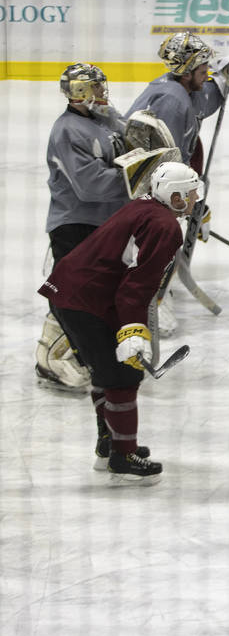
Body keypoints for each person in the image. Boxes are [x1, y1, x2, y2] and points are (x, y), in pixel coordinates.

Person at [38, 162, 204, 483]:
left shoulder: (147, 206)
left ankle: (110, 443)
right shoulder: (165, 227)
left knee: (105, 372)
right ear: (176, 196)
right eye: (193, 193)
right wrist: (132, 330)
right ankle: (123, 456)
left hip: (68, 291)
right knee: (123, 376)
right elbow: (136, 287)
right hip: (86, 300)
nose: (197, 197)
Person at [37, 63, 132, 392]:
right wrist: (137, 177)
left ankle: (81, 353)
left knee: (97, 297)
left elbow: (130, 147)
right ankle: (51, 358)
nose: (101, 92)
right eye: (94, 88)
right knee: (72, 296)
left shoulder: (105, 118)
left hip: (106, 224)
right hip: (75, 226)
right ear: (79, 93)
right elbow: (91, 187)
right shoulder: (67, 131)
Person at [126, 32, 225, 175]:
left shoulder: (180, 87)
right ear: (186, 75)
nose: (206, 77)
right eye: (203, 73)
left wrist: (224, 79)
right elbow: (167, 160)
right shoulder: (171, 102)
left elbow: (202, 102)